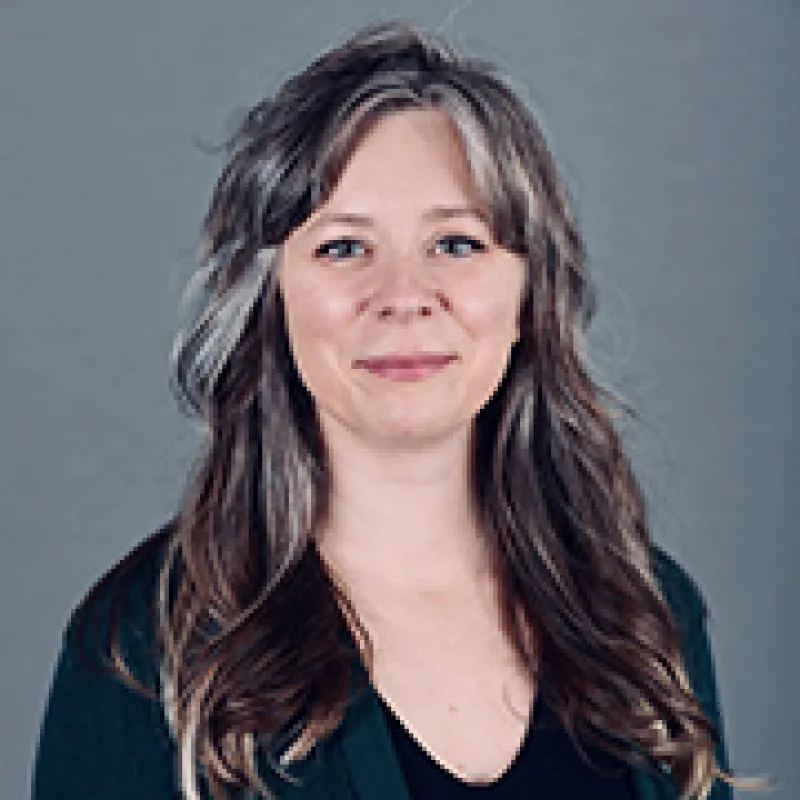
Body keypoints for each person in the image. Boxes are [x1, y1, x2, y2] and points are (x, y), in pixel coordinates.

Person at [32, 19, 767, 800]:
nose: (405, 298)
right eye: (344, 247)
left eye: (456, 243)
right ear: (269, 299)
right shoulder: (145, 649)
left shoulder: (645, 613)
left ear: (530, 293)